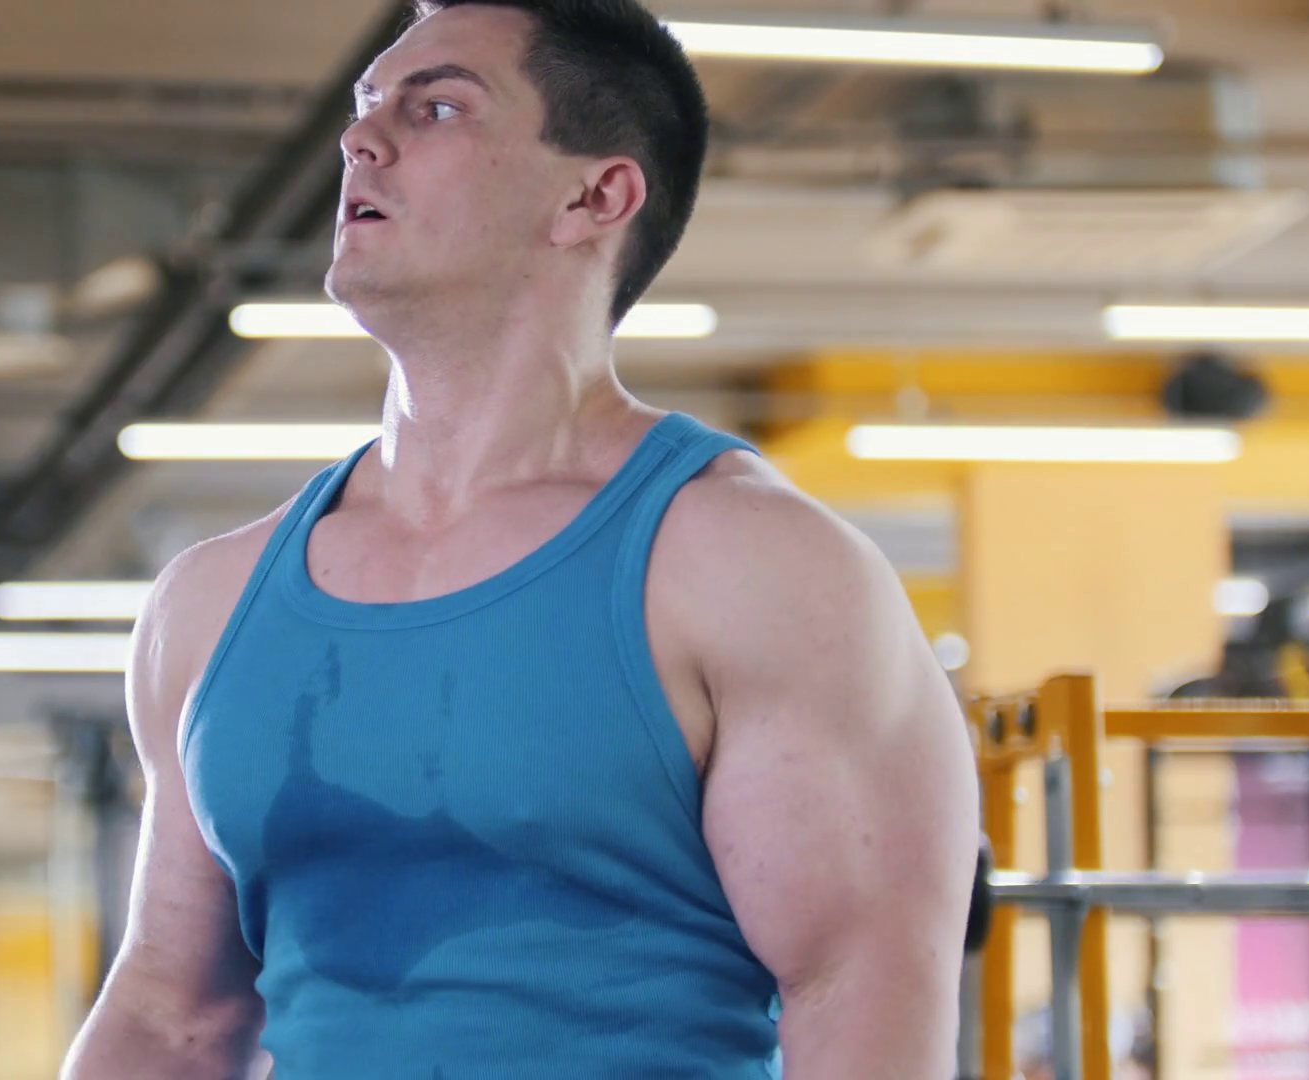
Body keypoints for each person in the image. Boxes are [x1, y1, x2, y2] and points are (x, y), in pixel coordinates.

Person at [62, 1, 978, 1076]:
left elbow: (854, 991)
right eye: (366, 107)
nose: (360, 140)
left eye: (437, 109)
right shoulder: (209, 601)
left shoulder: (752, 567)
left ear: (595, 197)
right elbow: (170, 1017)